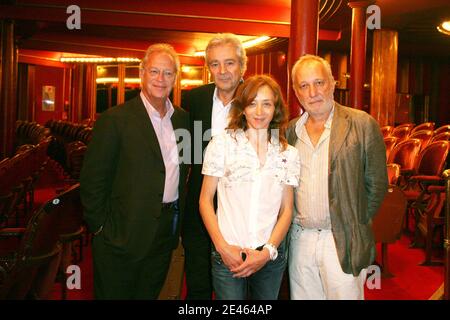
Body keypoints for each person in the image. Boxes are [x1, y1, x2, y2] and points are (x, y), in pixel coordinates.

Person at [80, 44, 189, 299]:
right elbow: (93, 180)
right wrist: (101, 228)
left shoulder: (183, 120)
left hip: (166, 232)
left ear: (175, 77)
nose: (161, 79)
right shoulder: (114, 119)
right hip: (120, 234)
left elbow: (185, 172)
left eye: (168, 73)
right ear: (142, 73)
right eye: (154, 71)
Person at [287, 54, 388, 300]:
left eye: (319, 82)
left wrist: (354, 222)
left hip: (341, 239)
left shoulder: (362, 124)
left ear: (332, 83)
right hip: (300, 240)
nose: (313, 92)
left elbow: (377, 184)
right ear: (296, 92)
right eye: (304, 85)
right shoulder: (289, 131)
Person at [199, 75, 300, 299]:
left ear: (276, 109)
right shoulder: (222, 144)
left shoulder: (288, 154)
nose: (259, 111)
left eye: (267, 104)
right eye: (252, 103)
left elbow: (287, 210)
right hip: (227, 253)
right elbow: (205, 200)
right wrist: (222, 247)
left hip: (269, 256)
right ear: (243, 107)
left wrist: (268, 251)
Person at [181, 33, 247, 299]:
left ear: (243, 65)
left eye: (229, 63)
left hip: (241, 212)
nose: (223, 71)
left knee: (235, 287)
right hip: (199, 207)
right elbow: (186, 153)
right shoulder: (194, 100)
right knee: (198, 284)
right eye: (215, 64)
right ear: (208, 68)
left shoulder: (258, 99)